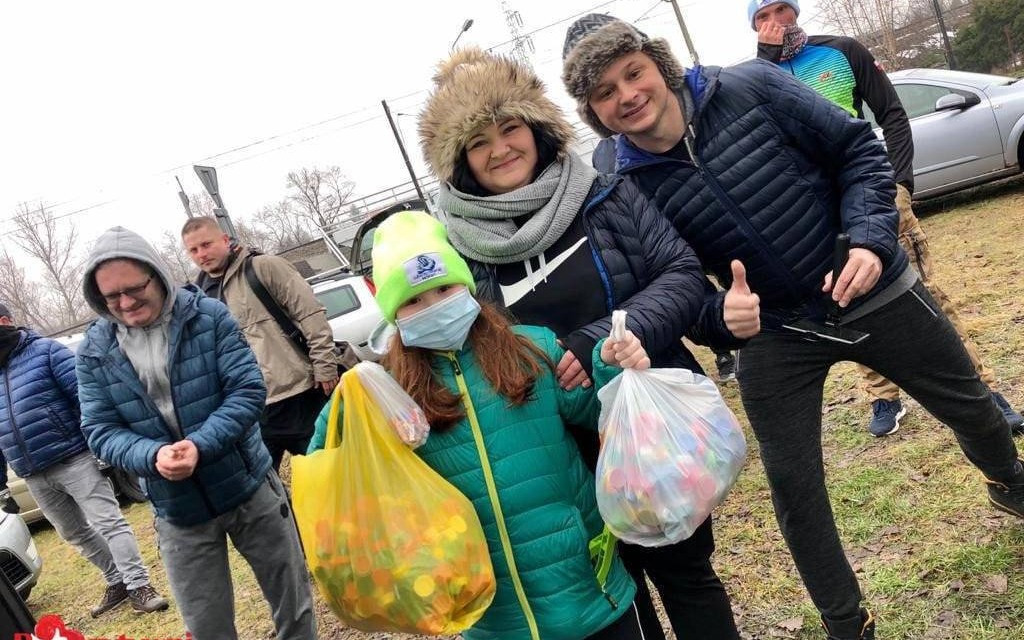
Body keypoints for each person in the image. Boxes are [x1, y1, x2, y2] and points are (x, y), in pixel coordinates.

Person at [561, 13, 1024, 640]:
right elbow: (675, 279)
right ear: (592, 111)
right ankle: (847, 623)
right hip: (778, 331)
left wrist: (869, 238)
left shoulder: (750, 86)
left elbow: (858, 150)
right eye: (604, 92)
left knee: (972, 405)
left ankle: (1008, 479)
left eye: (632, 73)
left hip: (869, 285)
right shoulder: (623, 183)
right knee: (794, 489)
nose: (627, 95)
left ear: (657, 64)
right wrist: (719, 318)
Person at [417, 47, 744, 638]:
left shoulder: (605, 196)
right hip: (553, 459)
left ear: (536, 127)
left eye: (510, 128)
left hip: (647, 431)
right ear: (459, 160)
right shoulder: (457, 248)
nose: (500, 149)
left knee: (688, 577)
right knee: (612, 594)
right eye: (478, 142)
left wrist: (598, 339)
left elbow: (679, 274)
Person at [309, 210, 653, 640]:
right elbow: (331, 469)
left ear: (466, 285)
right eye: (413, 301)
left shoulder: (531, 347)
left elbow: (600, 417)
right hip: (491, 618)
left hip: (591, 592)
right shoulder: (390, 394)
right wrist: (347, 404)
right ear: (393, 313)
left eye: (443, 288)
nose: (433, 307)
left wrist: (611, 368)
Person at [750, 0, 1024, 437]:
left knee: (925, 293)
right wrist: (766, 60)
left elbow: (892, 114)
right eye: (761, 17)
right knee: (848, 300)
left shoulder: (841, 50)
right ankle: (883, 395)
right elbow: (762, 134)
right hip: (817, 211)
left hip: (872, 192)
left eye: (780, 10)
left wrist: (898, 184)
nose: (774, 22)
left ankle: (983, 389)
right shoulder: (755, 76)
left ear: (795, 12)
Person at [75, 227, 316, 640]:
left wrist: (200, 445)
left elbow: (247, 389)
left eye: (134, 289)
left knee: (293, 604)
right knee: (207, 627)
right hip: (177, 510)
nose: (126, 303)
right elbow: (99, 429)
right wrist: (152, 456)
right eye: (112, 296)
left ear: (156, 275)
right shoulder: (94, 350)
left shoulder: (208, 316)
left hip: (249, 485)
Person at [0, 301, 168, 617]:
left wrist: (100, 445)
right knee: (73, 532)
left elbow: (87, 400)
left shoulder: (46, 352)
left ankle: (140, 586)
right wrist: (2, 486)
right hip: (32, 473)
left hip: (73, 457)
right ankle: (117, 580)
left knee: (109, 522)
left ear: (6, 321)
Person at [181, 217, 337, 471]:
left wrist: (325, 365)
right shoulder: (196, 297)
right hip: (252, 409)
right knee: (263, 484)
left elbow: (311, 314)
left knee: (330, 473)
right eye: (193, 250)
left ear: (225, 240)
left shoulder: (264, 267)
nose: (201, 254)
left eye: (206, 245)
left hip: (301, 394)